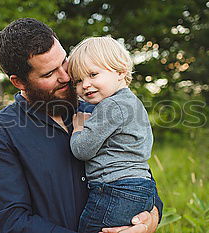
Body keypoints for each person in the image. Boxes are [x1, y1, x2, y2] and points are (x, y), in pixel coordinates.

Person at [0, 18, 163, 233]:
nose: (66, 77)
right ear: (19, 82)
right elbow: (10, 222)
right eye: (49, 74)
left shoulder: (98, 107)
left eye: (64, 61)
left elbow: (135, 171)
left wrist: (149, 221)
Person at [67, 36, 158, 233]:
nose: (85, 85)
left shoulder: (111, 105)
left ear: (120, 72)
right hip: (141, 186)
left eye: (93, 74)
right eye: (79, 80)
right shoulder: (133, 103)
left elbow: (82, 149)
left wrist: (79, 127)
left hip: (115, 188)